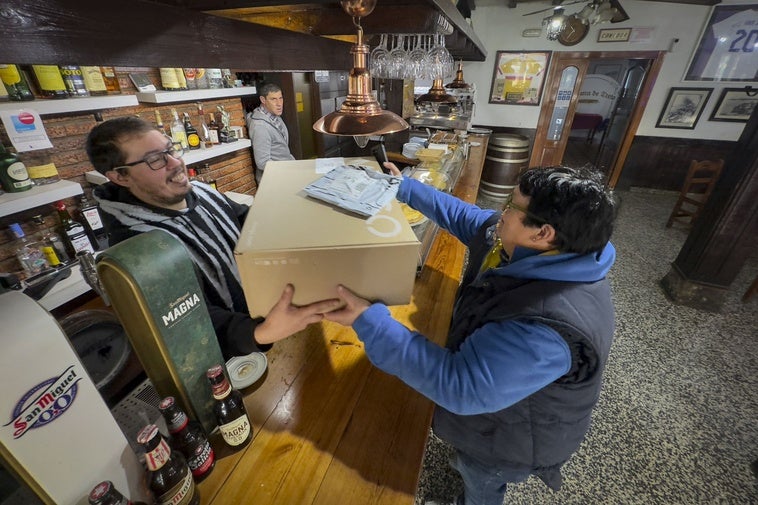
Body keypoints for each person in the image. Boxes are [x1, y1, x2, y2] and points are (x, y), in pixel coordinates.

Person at [324, 162, 617, 505]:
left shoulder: (545, 325)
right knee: (468, 465)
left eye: (512, 206)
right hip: (500, 408)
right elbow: (468, 217)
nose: (501, 213)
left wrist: (367, 318)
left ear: (543, 233)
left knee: (481, 479)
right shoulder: (550, 252)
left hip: (512, 438)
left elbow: (459, 385)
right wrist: (403, 187)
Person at [85, 116, 339, 360]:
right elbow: (189, 320)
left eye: (171, 150)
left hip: (273, 318)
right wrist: (261, 333)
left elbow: (248, 221)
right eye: (155, 160)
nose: (175, 163)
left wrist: (304, 218)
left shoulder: (202, 191)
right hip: (234, 354)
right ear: (120, 176)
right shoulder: (139, 247)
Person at [246, 83, 295, 183]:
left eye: (280, 98)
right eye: (273, 99)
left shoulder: (275, 117)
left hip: (286, 173)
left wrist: (295, 166)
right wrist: (287, 172)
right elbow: (262, 162)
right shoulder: (260, 126)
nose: (279, 103)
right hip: (274, 180)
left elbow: (282, 151)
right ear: (263, 100)